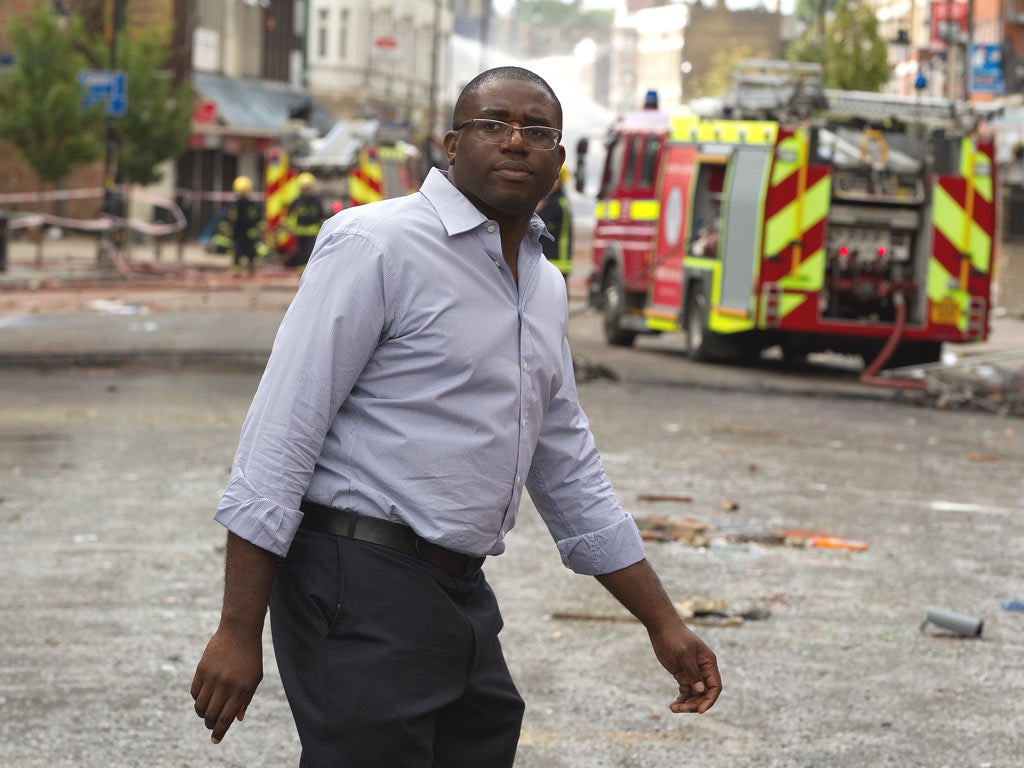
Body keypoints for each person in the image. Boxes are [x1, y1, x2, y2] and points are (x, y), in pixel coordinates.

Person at [190, 66, 721, 766]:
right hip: (355, 577)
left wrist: (663, 623)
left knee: (484, 733)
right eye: (493, 123)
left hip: (459, 587)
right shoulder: (376, 244)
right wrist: (237, 629)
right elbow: (282, 433)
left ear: (559, 162)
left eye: (537, 132)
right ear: (450, 143)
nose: (514, 141)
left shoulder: (544, 285)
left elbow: (567, 469)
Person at [214, 176, 265, 276]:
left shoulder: (253, 205)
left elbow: (258, 219)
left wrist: (256, 230)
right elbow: (227, 218)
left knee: (251, 252)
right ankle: (236, 271)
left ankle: (251, 270)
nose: (242, 194)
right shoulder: (233, 205)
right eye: (240, 192)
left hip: (250, 234)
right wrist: (226, 229)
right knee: (237, 252)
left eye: (244, 192)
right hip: (237, 233)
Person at [282, 172, 328, 270]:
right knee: (301, 253)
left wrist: (322, 229)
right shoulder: (296, 201)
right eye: (304, 188)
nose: (306, 190)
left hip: (312, 233)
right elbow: (290, 217)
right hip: (299, 233)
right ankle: (303, 271)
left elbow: (321, 216)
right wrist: (289, 228)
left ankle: (309, 269)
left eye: (308, 188)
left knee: (310, 252)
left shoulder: (316, 201)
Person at [536, 164, 573, 285]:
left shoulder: (556, 204)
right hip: (555, 262)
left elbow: (535, 224)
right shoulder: (557, 201)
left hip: (555, 261)